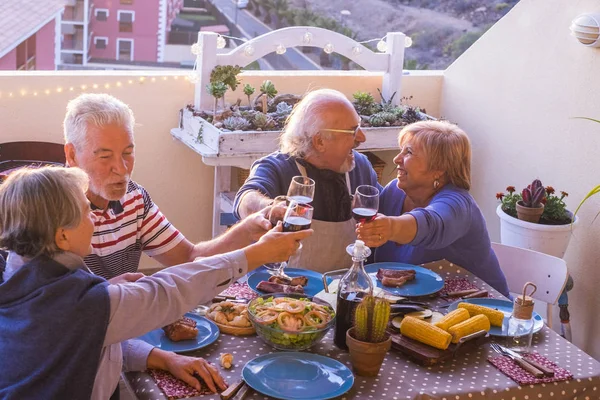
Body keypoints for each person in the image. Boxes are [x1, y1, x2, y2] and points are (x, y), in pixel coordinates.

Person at [0, 166, 311, 399]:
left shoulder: (22, 274)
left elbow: (87, 338)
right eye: (85, 213)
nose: (94, 218)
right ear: (62, 236)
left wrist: (159, 357)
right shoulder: (78, 302)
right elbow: (168, 291)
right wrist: (256, 254)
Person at [61, 93, 276, 394]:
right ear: (71, 156)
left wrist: (247, 229)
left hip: (115, 353)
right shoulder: (53, 217)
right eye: (104, 156)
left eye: (128, 152)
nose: (121, 168)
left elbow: (187, 258)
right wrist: (162, 358)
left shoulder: (134, 198)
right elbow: (82, 324)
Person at [234, 88, 381, 273]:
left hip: (344, 291)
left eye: (359, 127)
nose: (362, 137)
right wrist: (270, 207)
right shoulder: (276, 166)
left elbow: (383, 214)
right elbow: (245, 199)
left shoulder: (360, 166)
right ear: (319, 142)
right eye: (352, 131)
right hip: (283, 294)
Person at [356, 121, 510, 297]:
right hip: (418, 308)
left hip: (482, 309)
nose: (396, 159)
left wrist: (390, 227)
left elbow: (432, 223)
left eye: (409, 152)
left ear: (439, 169)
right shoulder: (394, 192)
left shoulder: (458, 205)